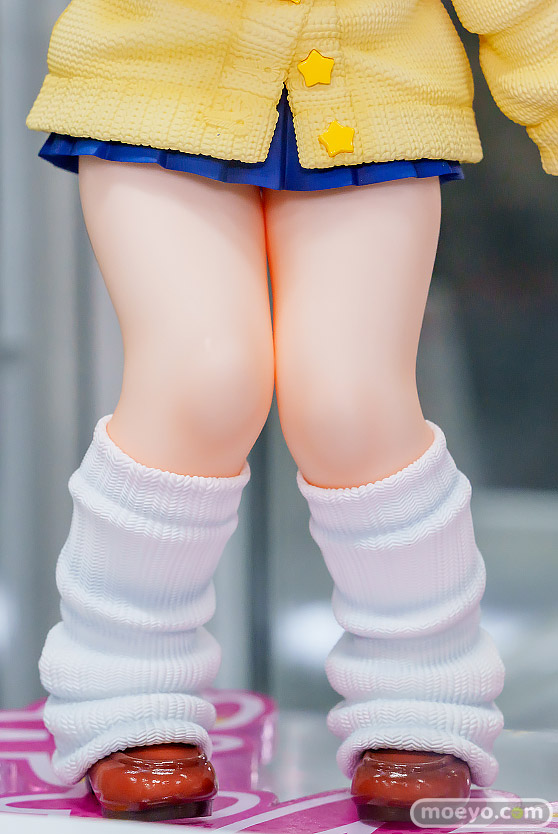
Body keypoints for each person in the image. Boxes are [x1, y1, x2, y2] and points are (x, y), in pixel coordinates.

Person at [26, 0, 557, 822]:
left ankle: (423, 707)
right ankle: (123, 701)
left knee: (352, 404)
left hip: (375, 92)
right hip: (157, 74)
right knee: (201, 381)